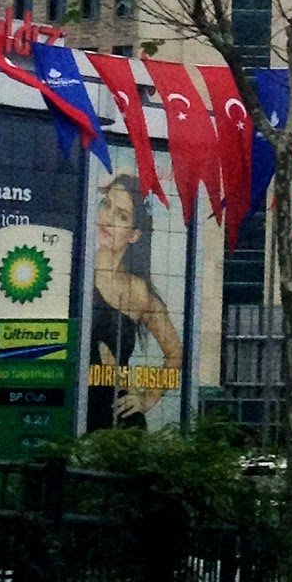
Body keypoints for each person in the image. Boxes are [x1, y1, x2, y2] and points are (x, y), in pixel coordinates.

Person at [86, 175, 183, 431]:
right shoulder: (76, 269)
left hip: (119, 422)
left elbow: (175, 353)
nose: (108, 218)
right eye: (106, 205)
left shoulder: (137, 292)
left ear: (134, 234)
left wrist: (147, 399)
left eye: (121, 216)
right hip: (70, 412)